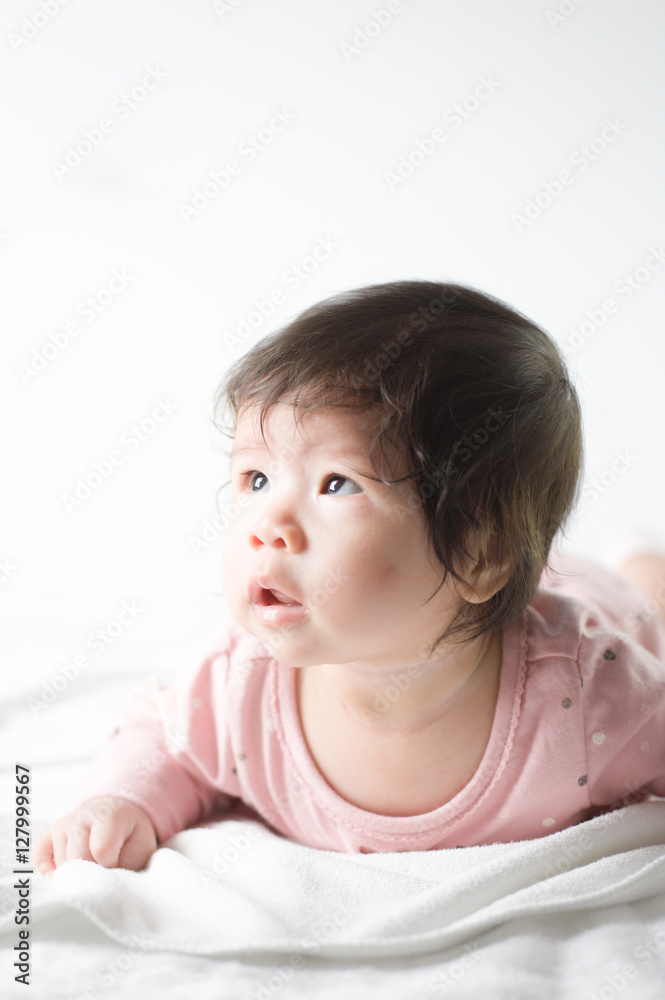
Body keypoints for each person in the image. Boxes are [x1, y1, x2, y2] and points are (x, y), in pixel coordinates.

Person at [33, 280, 665, 874]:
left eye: (337, 483)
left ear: (476, 553)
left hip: (601, 603)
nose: (266, 525)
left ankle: (643, 564)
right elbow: (167, 740)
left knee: (648, 605)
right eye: (256, 479)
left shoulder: (588, 695)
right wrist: (120, 800)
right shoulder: (243, 685)